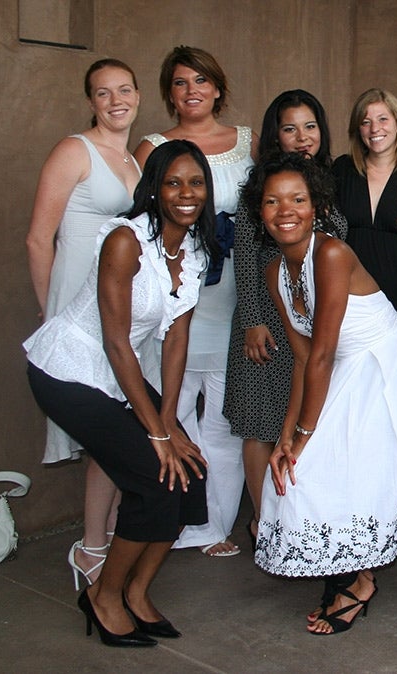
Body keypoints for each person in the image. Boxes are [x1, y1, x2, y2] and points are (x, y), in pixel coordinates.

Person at [249, 153, 397, 635]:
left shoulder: (331, 254)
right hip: (341, 365)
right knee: (304, 463)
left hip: (387, 364)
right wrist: (286, 435)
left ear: (317, 206)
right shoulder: (274, 272)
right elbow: (301, 359)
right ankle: (351, 569)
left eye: (298, 199)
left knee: (338, 466)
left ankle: (359, 582)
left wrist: (304, 435)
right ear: (259, 212)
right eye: (273, 201)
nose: (286, 210)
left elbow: (321, 356)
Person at [24, 139, 218, 647]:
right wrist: (156, 433)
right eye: (173, 182)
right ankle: (104, 594)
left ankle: (137, 591)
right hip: (68, 369)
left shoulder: (195, 250)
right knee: (154, 479)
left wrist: (171, 421)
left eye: (195, 182)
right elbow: (115, 341)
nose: (185, 193)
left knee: (189, 471)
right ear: (152, 189)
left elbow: (176, 337)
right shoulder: (125, 241)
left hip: (117, 372)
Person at [134, 45, 257, 557]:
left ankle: (215, 526)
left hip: (235, 291)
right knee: (171, 409)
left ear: (218, 88)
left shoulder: (248, 141)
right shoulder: (152, 146)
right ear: (169, 93)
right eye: (181, 83)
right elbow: (140, 217)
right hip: (180, 286)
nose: (192, 91)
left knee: (225, 422)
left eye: (201, 81)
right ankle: (170, 519)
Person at [25, 58, 143, 589]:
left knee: (118, 430)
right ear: (90, 101)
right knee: (104, 435)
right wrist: (52, 315)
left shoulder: (136, 162)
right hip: (76, 302)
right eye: (103, 93)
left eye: (124, 90)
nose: (115, 100)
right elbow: (37, 238)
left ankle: (113, 536)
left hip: (115, 312)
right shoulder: (74, 150)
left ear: (138, 95)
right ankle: (92, 548)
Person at [222, 90, 348, 545]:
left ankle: (295, 519)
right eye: (290, 127)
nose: (302, 137)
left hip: (311, 321)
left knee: (296, 421)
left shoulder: (329, 181)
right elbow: (246, 258)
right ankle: (263, 521)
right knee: (259, 423)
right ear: (276, 134)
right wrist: (254, 319)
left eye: (310, 126)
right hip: (266, 322)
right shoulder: (260, 186)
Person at [332, 88, 397, 315]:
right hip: (350, 291)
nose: (374, 129)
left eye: (383, 119)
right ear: (357, 130)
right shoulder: (342, 169)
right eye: (365, 122)